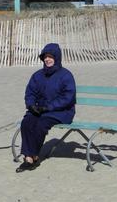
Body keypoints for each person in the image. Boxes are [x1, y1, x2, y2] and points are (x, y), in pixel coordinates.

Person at [16, 42, 76, 173]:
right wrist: (31, 105)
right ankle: (28, 156)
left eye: (50, 57)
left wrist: (47, 108)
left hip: (61, 112)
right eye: (45, 57)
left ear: (57, 58)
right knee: (27, 122)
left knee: (41, 124)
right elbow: (30, 92)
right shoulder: (38, 75)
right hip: (41, 109)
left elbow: (68, 97)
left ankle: (33, 157)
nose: (47, 59)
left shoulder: (66, 75)